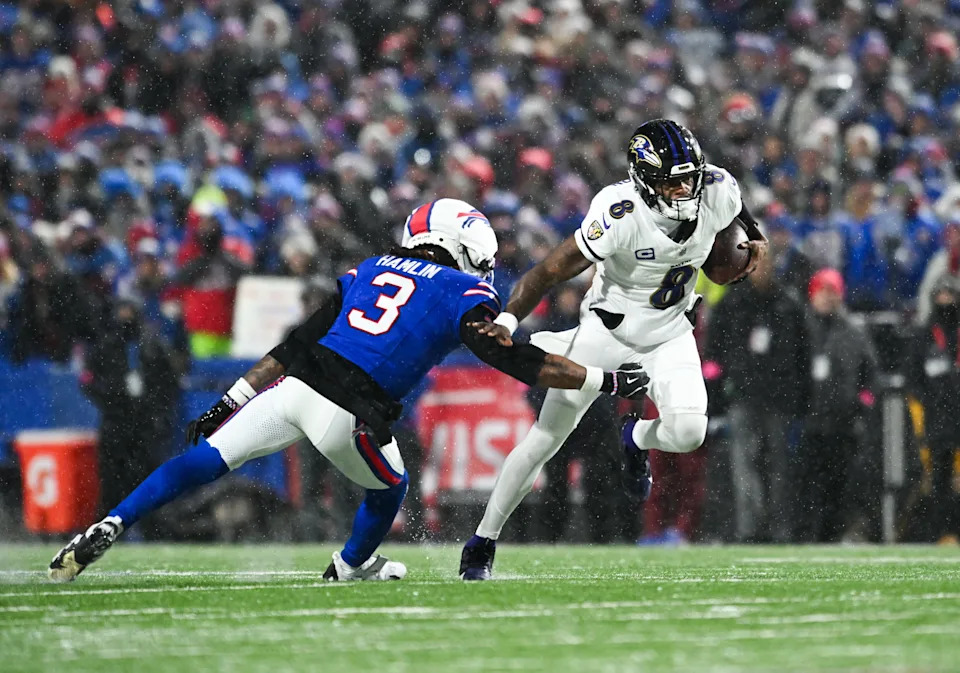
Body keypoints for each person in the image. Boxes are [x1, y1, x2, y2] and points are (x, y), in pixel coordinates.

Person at [48, 199, 651, 583]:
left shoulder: (367, 269)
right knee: (391, 487)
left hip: (295, 386)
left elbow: (292, 346)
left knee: (204, 460)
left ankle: (112, 520)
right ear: (461, 244)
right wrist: (604, 380)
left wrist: (229, 400)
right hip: (349, 410)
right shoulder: (459, 291)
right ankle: (349, 565)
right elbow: (519, 360)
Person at [460, 119, 768, 580]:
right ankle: (482, 541)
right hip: (607, 333)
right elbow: (548, 271)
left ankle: (635, 436)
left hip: (669, 333)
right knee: (546, 439)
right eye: (673, 180)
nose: (686, 189)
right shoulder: (620, 213)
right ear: (644, 180)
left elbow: (744, 226)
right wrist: (506, 319)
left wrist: (752, 248)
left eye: (691, 177)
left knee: (688, 433)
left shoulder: (718, 189)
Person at [705, 247, 810, 542]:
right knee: (744, 464)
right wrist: (718, 395)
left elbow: (804, 357)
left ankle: (778, 528)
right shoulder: (733, 303)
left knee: (780, 467)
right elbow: (714, 353)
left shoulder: (789, 305)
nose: (762, 270)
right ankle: (749, 528)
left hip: (780, 398)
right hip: (743, 395)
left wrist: (802, 401)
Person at [798, 269, 879, 542]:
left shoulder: (853, 331)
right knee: (807, 483)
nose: (828, 298)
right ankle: (808, 532)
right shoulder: (801, 328)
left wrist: (862, 402)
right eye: (823, 291)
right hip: (808, 420)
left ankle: (834, 533)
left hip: (843, 423)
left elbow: (870, 373)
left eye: (833, 292)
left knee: (841, 483)